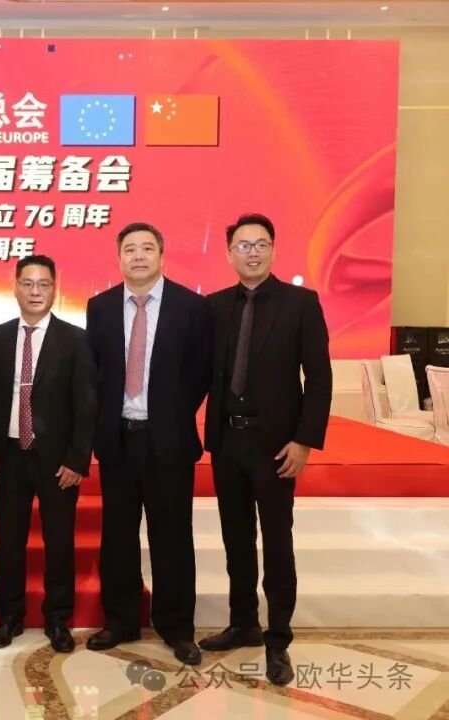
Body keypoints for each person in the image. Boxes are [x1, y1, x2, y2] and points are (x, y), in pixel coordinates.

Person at [198, 213, 332, 686]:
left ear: (273, 249)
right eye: (243, 245)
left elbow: (319, 377)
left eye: (260, 244)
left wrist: (304, 440)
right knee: (236, 539)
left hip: (277, 447)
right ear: (229, 253)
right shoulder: (214, 307)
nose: (251, 252)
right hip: (227, 442)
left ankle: (278, 640)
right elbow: (200, 373)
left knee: (277, 543)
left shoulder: (301, 303)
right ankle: (243, 623)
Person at [84, 222, 212, 666]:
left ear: (161, 254)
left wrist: (170, 413)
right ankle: (120, 620)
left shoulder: (191, 306)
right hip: (118, 439)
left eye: (146, 249)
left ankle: (177, 628)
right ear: (119, 257)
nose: (138, 256)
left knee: (171, 536)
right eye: (130, 249)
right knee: (118, 535)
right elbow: (94, 373)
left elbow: (200, 372)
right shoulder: (100, 307)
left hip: (168, 442)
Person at [0, 255, 96, 653]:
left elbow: (86, 403)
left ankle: (57, 618)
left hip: (57, 461)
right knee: (9, 542)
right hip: (10, 455)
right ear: (15, 287)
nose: (35, 292)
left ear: (54, 288)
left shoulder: (75, 339)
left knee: (59, 541)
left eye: (44, 284)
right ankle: (9, 616)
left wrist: (78, 459)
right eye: (28, 284)